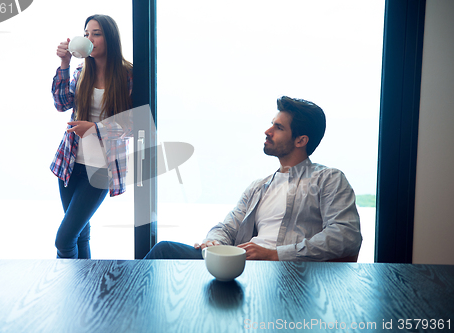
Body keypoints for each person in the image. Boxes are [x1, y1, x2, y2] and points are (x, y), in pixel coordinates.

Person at [145, 96, 362, 261]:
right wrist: (214, 243)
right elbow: (227, 227)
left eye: (278, 127)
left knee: (163, 251)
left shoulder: (328, 179)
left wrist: (275, 254)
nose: (267, 131)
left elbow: (345, 235)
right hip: (242, 264)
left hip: (286, 270)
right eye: (271, 124)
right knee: (165, 251)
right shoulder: (259, 187)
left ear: (300, 140)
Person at [51, 14, 133, 259]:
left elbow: (133, 125)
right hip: (71, 162)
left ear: (110, 38)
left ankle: (65, 289)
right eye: (87, 34)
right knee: (80, 235)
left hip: (100, 170)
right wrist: (64, 65)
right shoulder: (80, 71)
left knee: (64, 240)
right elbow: (61, 103)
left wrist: (95, 129)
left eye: (96, 33)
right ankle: (83, 295)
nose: (89, 38)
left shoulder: (128, 76)